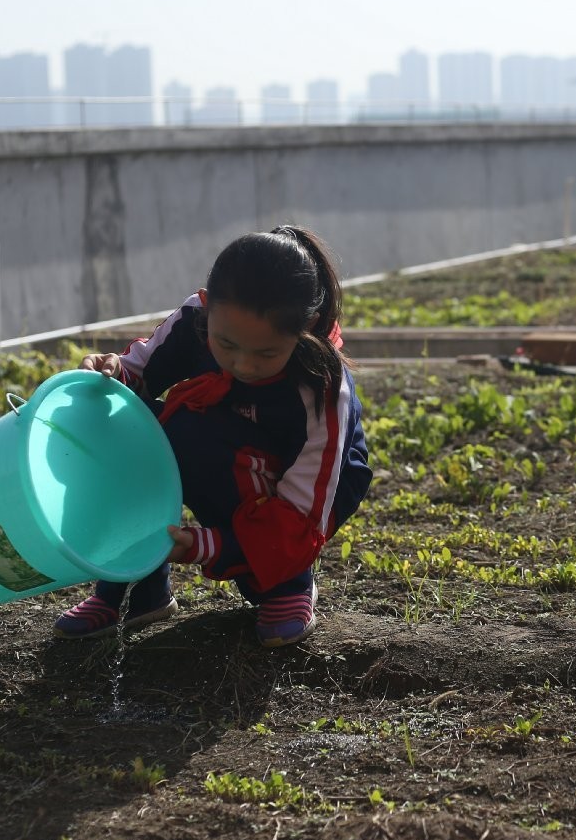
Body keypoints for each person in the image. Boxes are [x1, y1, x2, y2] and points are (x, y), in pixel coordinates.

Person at [53, 226, 372, 648]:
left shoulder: (322, 386)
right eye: (227, 344)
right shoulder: (194, 321)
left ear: (306, 328)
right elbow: (138, 373)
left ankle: (287, 585)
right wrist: (109, 375)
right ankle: (135, 588)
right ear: (207, 306)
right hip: (216, 441)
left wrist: (208, 545)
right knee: (132, 429)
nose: (244, 365)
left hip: (303, 483)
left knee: (256, 544)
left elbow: (302, 512)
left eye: (266, 353)